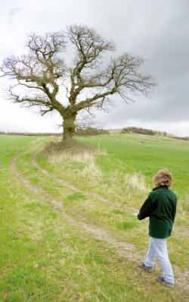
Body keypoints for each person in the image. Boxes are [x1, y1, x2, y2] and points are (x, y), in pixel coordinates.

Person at [137, 169, 177, 287]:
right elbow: (172, 213)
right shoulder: (172, 195)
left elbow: (146, 209)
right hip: (167, 226)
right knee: (153, 244)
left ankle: (169, 279)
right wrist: (170, 225)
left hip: (158, 228)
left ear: (157, 180)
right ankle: (148, 264)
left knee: (162, 252)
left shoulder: (154, 194)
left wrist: (139, 216)